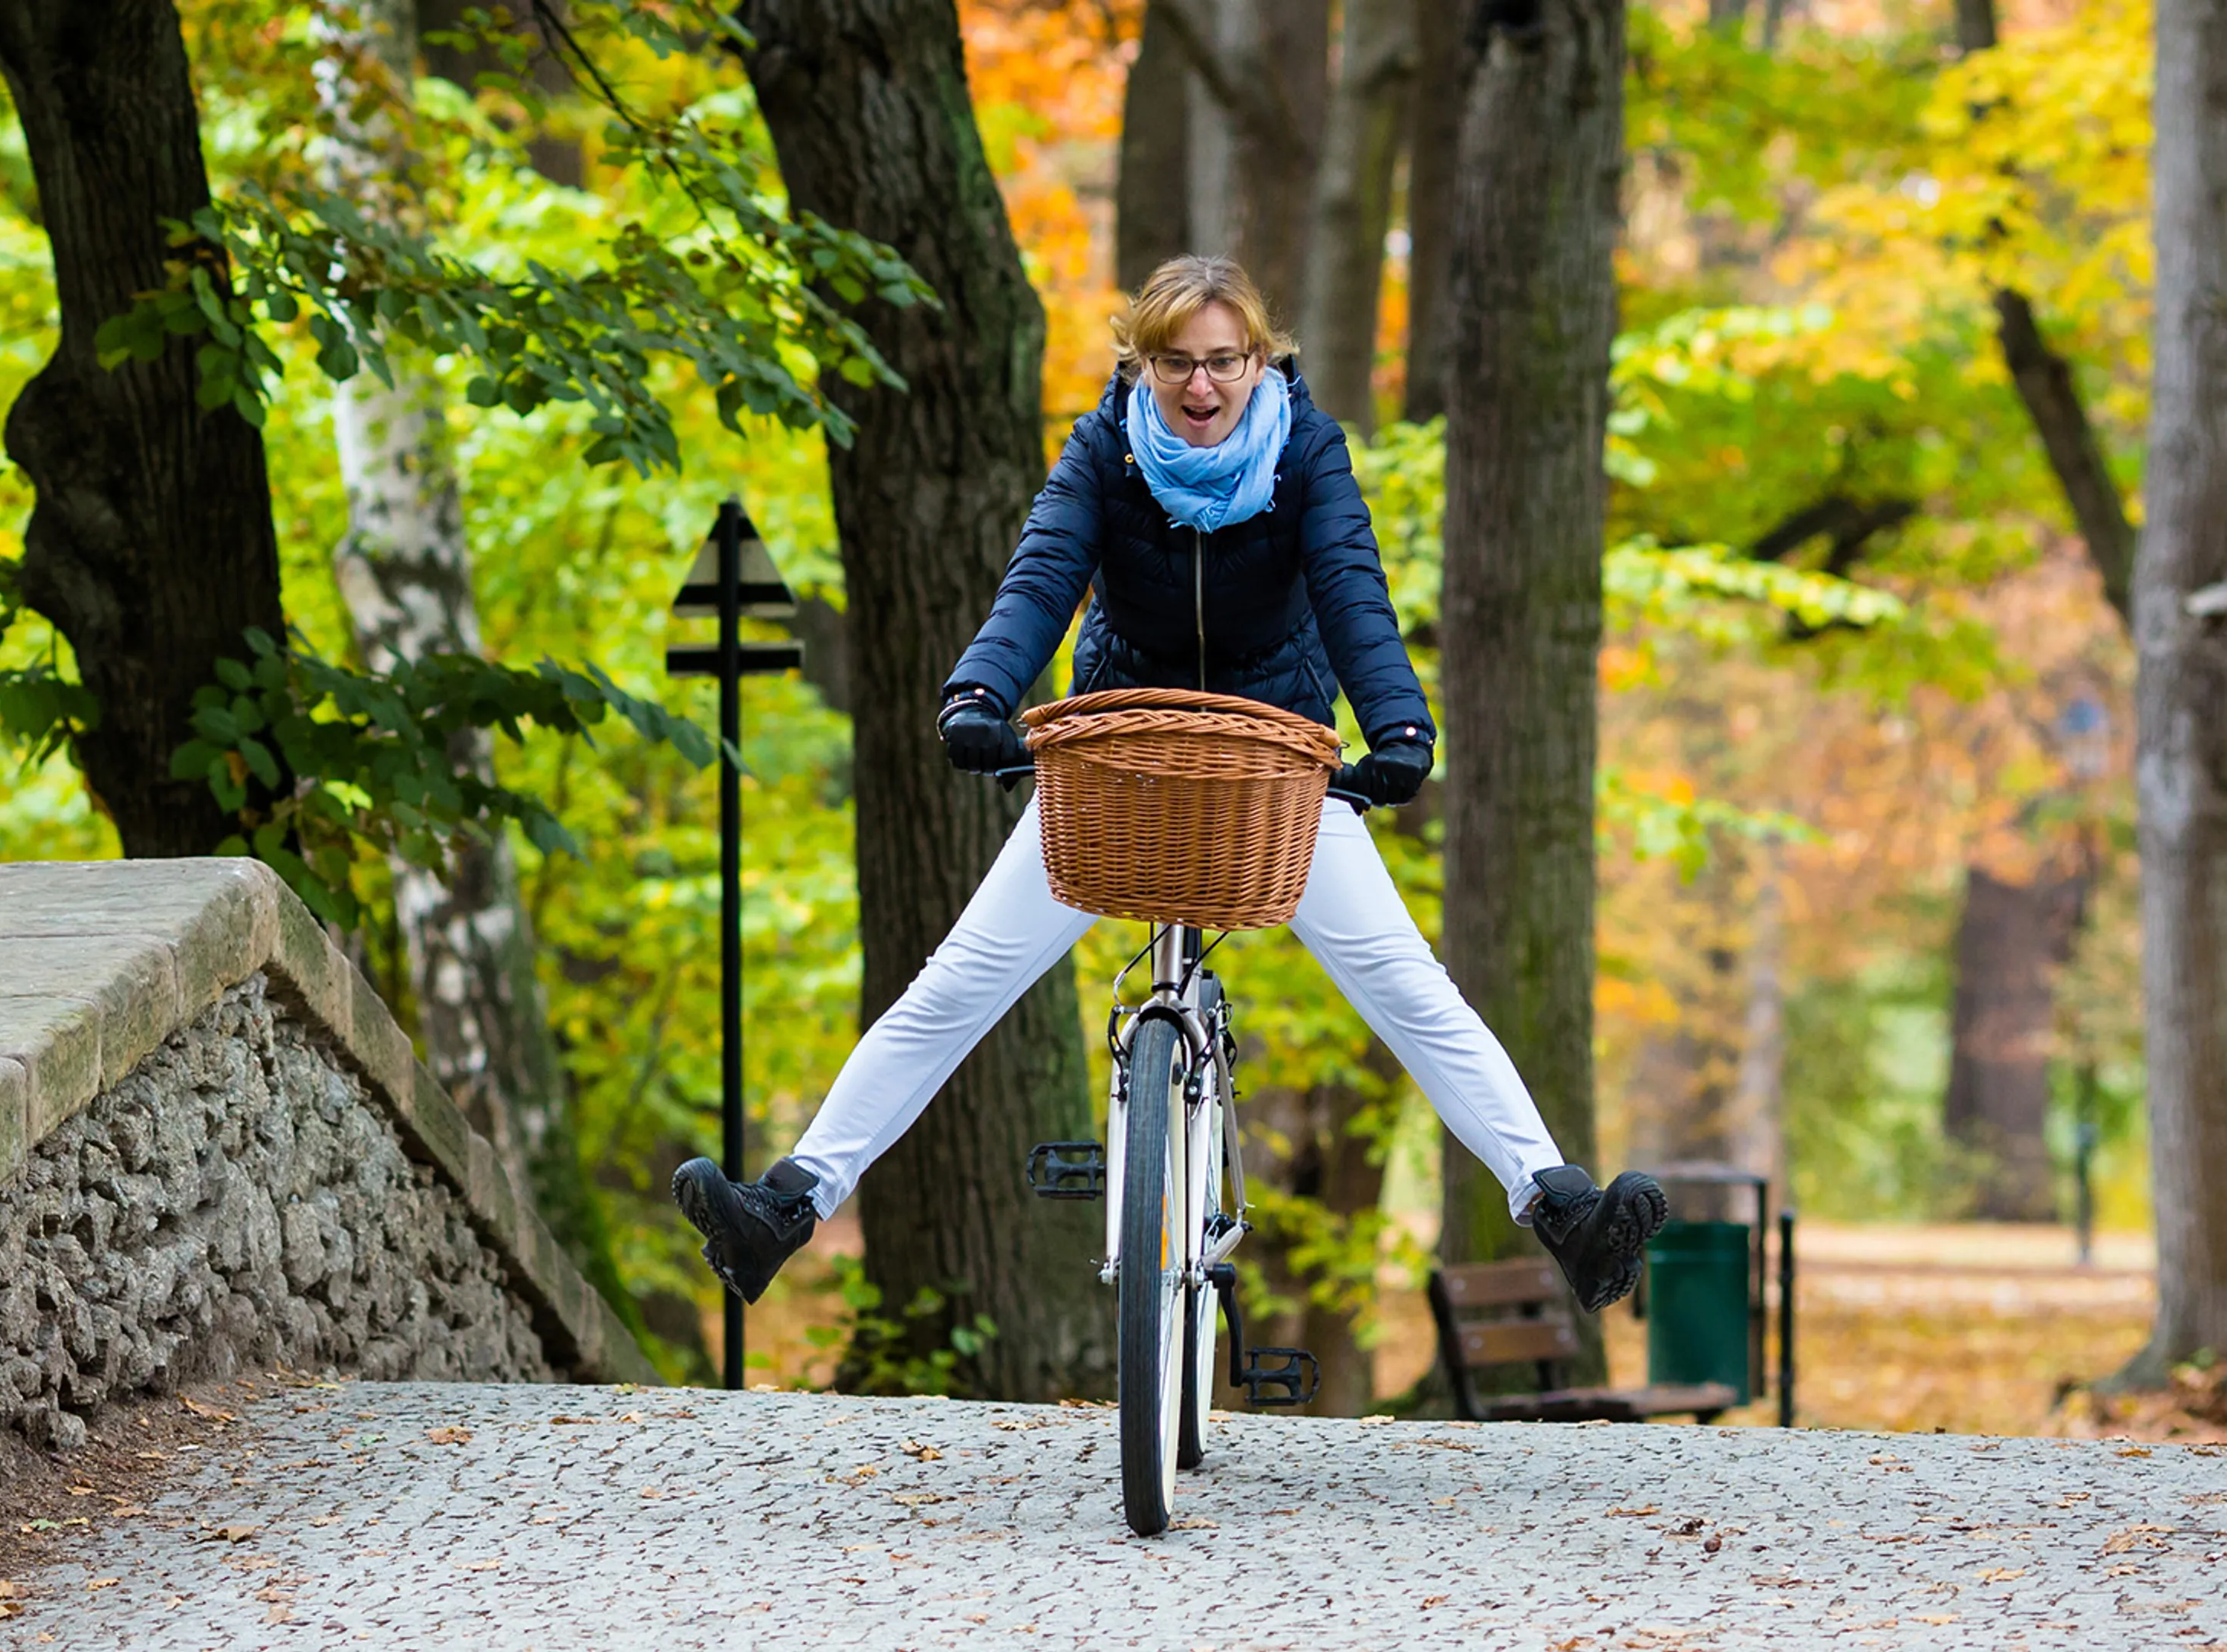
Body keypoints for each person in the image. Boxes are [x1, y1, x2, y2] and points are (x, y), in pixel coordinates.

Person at [671, 255, 1666, 1322]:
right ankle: (786, 1207)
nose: (1202, 386)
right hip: (1117, 762)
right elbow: (1043, 575)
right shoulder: (1103, 448)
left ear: (1260, 361)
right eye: (1177, 362)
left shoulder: (1309, 451)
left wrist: (1401, 729)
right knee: (956, 982)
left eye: (1225, 361)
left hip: (1271, 768)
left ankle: (1562, 1210)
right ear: (1139, 363)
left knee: (1406, 983)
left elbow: (1351, 589)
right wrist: (977, 695)